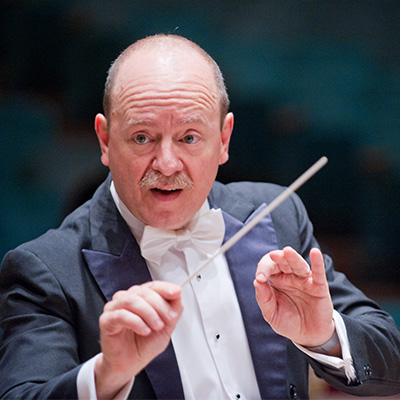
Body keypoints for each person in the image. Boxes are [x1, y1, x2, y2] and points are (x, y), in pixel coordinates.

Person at [0, 34, 400, 400]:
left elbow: (391, 359)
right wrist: (107, 373)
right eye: (143, 137)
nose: (168, 163)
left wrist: (324, 334)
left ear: (223, 139)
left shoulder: (277, 215)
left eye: (190, 137)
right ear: (105, 140)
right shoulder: (46, 269)